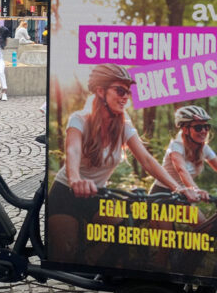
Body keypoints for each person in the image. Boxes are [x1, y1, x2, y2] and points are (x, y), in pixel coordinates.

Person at [47, 64, 200, 263]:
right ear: (101, 92)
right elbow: (73, 150)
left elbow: (146, 160)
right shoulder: (79, 119)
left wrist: (177, 188)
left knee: (122, 232)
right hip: (66, 191)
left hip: (96, 195)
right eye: (120, 90)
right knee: (65, 252)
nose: (126, 96)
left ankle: (97, 268)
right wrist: (76, 179)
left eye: (128, 92)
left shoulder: (123, 125)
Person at [157, 105, 217, 197]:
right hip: (163, 192)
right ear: (185, 130)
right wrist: (196, 190)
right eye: (198, 127)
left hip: (184, 194)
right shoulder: (176, 146)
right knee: (199, 216)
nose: (204, 131)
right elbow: (181, 170)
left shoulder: (204, 149)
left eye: (206, 127)